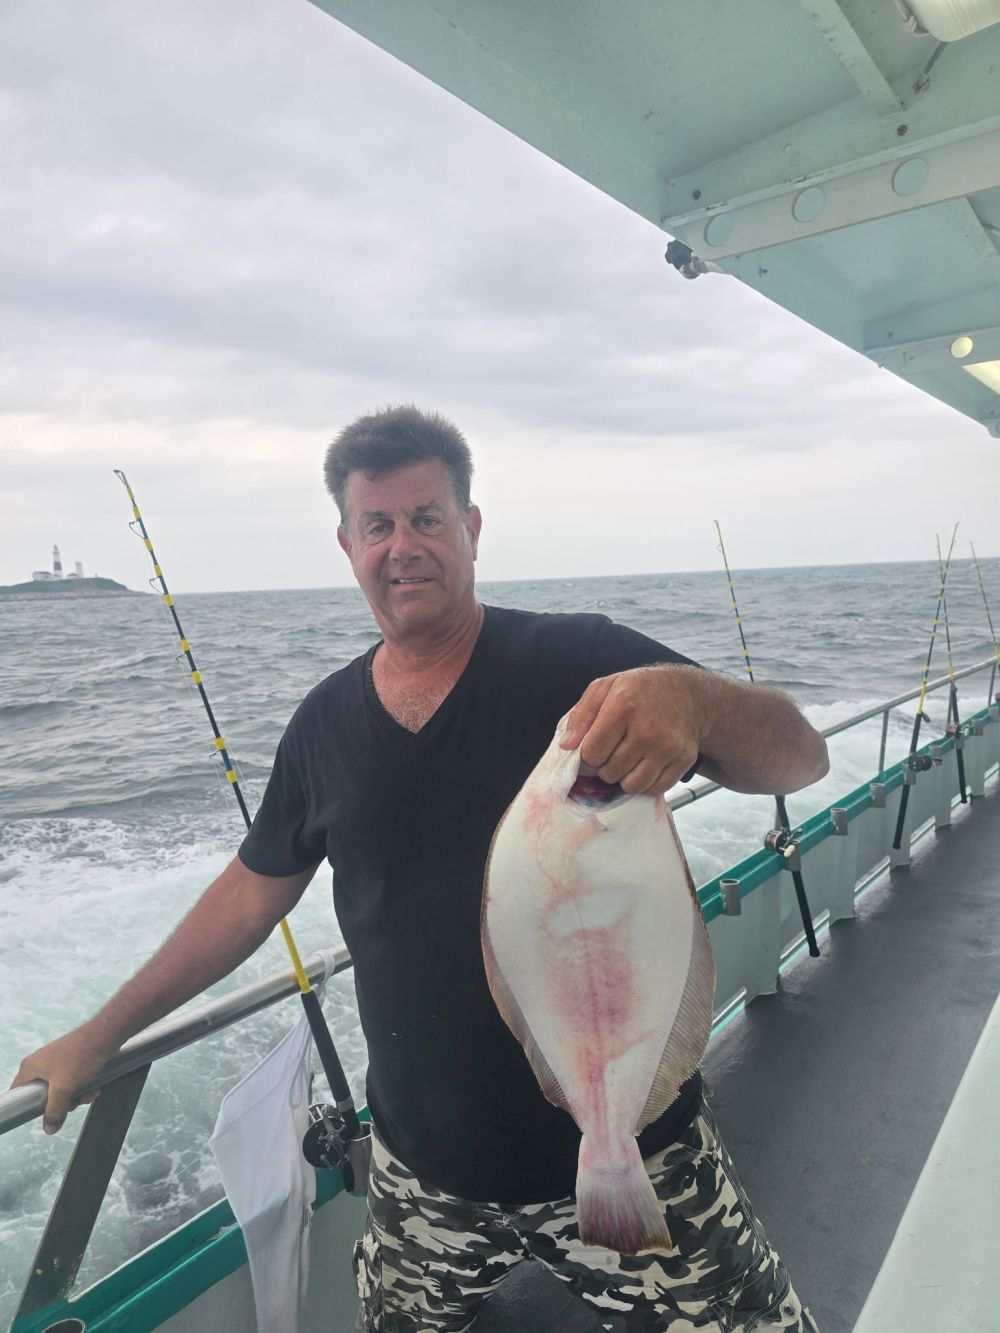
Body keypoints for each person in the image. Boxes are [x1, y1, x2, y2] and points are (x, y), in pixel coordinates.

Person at [13, 405, 828, 1332]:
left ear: (472, 527)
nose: (403, 547)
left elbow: (799, 758)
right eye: (378, 526)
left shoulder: (588, 665)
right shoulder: (323, 725)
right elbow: (247, 895)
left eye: (428, 518)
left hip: (639, 1145)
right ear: (348, 543)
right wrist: (100, 1033)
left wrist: (695, 701)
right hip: (424, 1179)